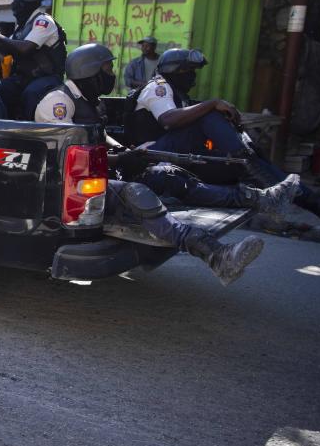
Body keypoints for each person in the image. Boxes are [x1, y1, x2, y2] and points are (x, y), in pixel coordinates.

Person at [33, 43, 299, 286]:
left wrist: (126, 152)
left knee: (169, 175)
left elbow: (99, 136)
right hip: (72, 183)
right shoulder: (58, 102)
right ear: (89, 71)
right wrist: (119, 159)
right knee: (136, 195)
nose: (112, 73)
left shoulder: (89, 101)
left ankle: (261, 199)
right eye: (107, 68)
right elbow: (68, 153)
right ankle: (216, 255)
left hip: (103, 168)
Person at [124, 47, 320, 218]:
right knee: (209, 114)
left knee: (248, 164)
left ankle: (314, 203)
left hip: (175, 155)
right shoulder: (158, 88)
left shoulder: (178, 94)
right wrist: (212, 104)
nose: (193, 76)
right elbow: (168, 121)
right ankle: (250, 164)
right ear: (177, 71)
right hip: (151, 156)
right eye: (190, 71)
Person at [0, 0, 67, 120]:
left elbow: (25, 48)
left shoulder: (43, 22)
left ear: (27, 2)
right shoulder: (22, 27)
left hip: (47, 78)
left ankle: (29, 130)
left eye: (15, 1)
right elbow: (7, 50)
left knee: (31, 94)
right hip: (26, 77)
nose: (12, 6)